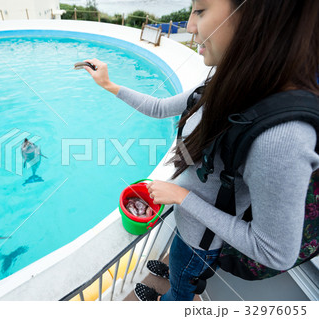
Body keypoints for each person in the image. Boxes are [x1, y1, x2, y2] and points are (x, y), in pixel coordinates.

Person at [82, 0, 319, 301]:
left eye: (201, 10)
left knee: (182, 288)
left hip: (202, 243)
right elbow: (159, 107)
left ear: (253, 16)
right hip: (189, 230)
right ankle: (179, 273)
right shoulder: (224, 82)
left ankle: (169, 297)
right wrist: (109, 85)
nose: (189, 26)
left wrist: (181, 196)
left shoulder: (282, 137)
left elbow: (275, 252)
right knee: (182, 264)